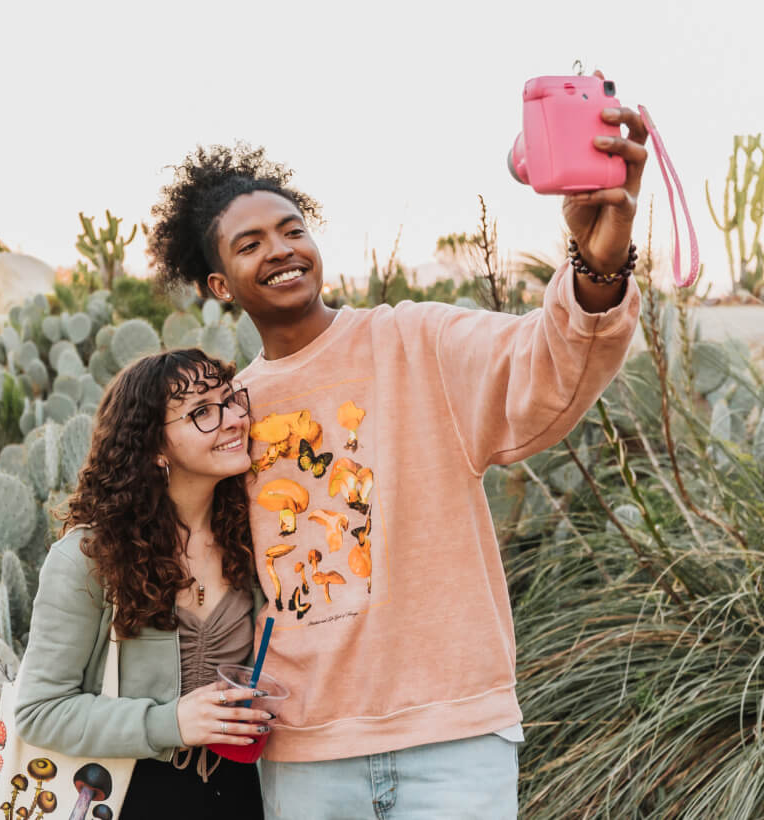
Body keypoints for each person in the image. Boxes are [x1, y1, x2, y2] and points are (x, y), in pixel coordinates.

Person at [143, 101, 646, 817]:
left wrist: (598, 264)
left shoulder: (416, 341)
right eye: (250, 243)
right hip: (306, 747)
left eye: (294, 230)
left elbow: (548, 365)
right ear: (220, 283)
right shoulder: (231, 417)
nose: (282, 249)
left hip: (454, 736)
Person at [14, 348, 273, 816]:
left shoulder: (253, 538)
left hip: (239, 798)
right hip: (126, 800)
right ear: (154, 448)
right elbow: (40, 710)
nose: (234, 419)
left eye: (232, 400)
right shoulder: (90, 559)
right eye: (202, 413)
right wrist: (168, 721)